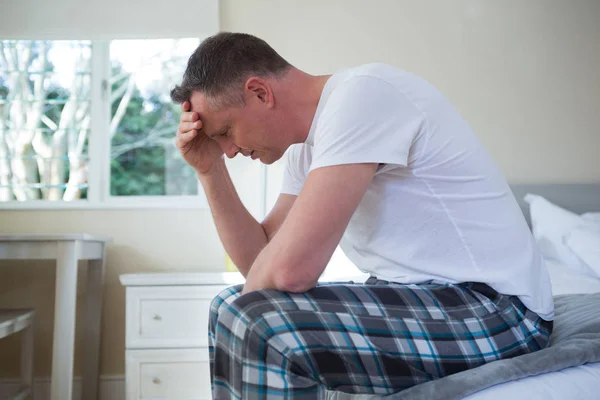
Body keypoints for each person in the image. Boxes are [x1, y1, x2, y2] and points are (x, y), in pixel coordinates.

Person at [170, 32, 554, 399]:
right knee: (227, 306)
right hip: (425, 297)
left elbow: (289, 272)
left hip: (498, 309)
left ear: (259, 92)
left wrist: (250, 315)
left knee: (257, 321)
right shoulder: (307, 150)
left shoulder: (363, 95)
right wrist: (209, 170)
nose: (230, 151)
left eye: (225, 132)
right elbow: (260, 264)